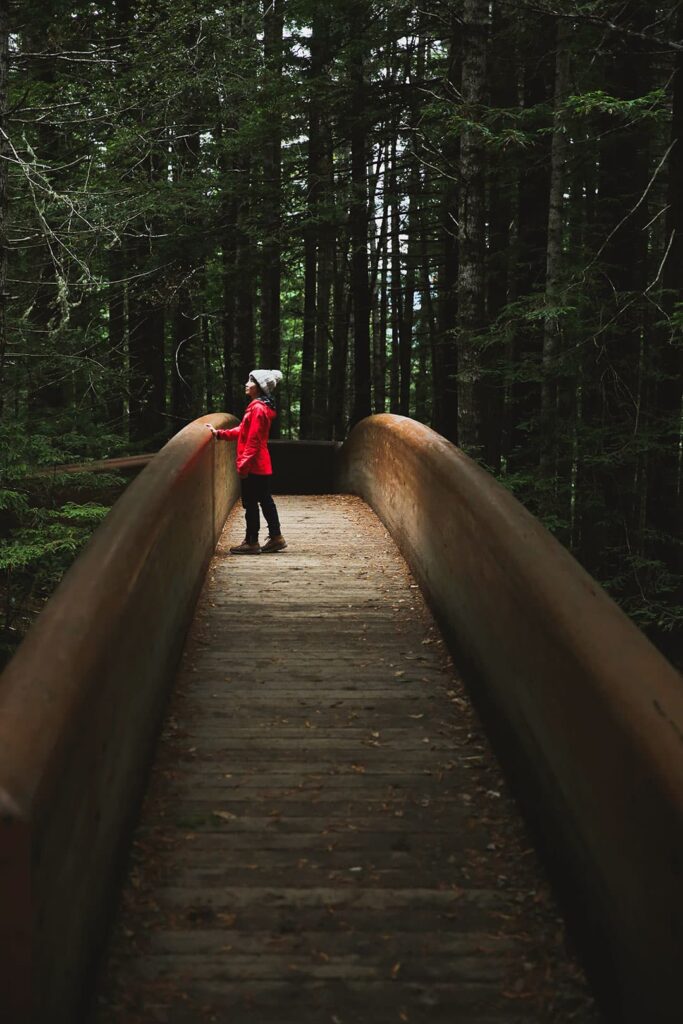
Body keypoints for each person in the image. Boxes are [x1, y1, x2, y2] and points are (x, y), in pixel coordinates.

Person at [206, 369, 287, 555]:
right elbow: (243, 430)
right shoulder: (258, 407)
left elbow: (254, 440)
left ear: (259, 387)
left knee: (251, 502)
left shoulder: (258, 409)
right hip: (260, 463)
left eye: (250, 382)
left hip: (254, 464)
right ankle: (276, 537)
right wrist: (220, 434)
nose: (246, 384)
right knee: (265, 500)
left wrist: (243, 464)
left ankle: (252, 542)